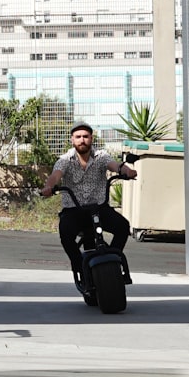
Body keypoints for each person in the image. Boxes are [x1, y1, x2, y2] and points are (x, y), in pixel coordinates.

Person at [40, 121, 137, 293]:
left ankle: (112, 260)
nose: (82, 140)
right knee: (65, 234)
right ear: (72, 140)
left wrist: (126, 171)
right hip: (74, 210)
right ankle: (80, 269)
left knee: (123, 227)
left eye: (86, 136)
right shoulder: (65, 160)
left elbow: (115, 165)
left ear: (91, 138)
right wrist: (49, 187)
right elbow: (56, 175)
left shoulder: (101, 156)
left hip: (99, 208)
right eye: (78, 137)